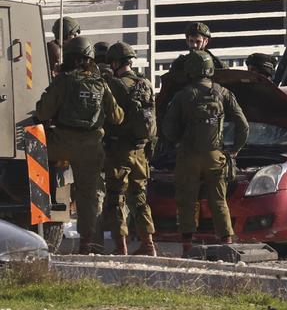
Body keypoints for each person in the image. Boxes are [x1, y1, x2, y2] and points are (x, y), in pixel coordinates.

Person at [36, 36, 124, 254]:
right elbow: (117, 117)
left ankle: (46, 213)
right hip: (91, 147)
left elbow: (42, 112)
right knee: (88, 195)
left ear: (72, 58)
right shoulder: (100, 83)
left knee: (37, 169)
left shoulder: (65, 80)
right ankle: (87, 243)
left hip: (61, 144)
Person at [162, 50, 249, 256]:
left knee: (187, 199)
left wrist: (175, 142)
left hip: (188, 155)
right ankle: (226, 241)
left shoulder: (182, 95)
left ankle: (188, 244)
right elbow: (243, 124)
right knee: (219, 200)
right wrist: (235, 149)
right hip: (215, 155)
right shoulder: (223, 93)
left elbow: (168, 127)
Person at [103, 42, 157, 256]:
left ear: (115, 62)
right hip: (141, 150)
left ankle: (120, 246)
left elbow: (109, 117)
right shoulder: (146, 83)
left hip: (119, 150)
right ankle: (149, 244)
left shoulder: (113, 85)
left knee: (116, 197)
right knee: (140, 197)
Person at [156, 22, 227, 128]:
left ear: (205, 41)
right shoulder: (179, 64)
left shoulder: (217, 64)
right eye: (191, 41)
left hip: (211, 115)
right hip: (185, 113)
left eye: (198, 42)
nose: (194, 45)